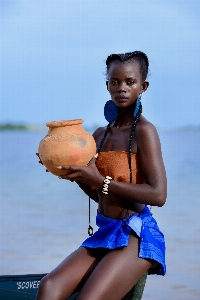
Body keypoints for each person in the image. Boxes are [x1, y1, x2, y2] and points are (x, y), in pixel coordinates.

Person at [36, 51, 167, 300]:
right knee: (49, 287)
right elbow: (99, 194)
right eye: (115, 82)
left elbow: (159, 195)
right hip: (106, 232)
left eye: (130, 82)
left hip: (136, 234)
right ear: (107, 85)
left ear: (143, 86)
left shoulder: (144, 131)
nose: (122, 88)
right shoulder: (98, 136)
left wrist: (101, 181)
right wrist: (71, 174)